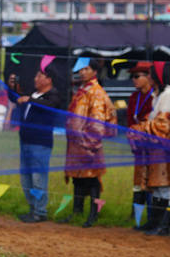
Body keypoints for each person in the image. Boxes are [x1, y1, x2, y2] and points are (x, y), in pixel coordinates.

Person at [60, 59, 116, 227]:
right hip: (77, 144)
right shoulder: (82, 90)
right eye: (81, 69)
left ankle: (93, 215)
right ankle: (77, 212)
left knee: (92, 180)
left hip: (89, 145)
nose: (83, 72)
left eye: (87, 69)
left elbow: (98, 123)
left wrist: (87, 142)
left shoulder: (96, 93)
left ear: (95, 72)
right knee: (78, 178)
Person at [7, 66, 63, 223]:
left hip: (40, 144)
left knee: (39, 178)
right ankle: (33, 209)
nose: (35, 79)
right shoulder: (33, 93)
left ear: (48, 79)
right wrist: (12, 87)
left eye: (39, 76)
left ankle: (40, 211)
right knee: (26, 179)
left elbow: (50, 105)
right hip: (25, 141)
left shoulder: (53, 95)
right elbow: (16, 99)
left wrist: (29, 100)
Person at [125, 62, 158, 229]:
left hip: (153, 148)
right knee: (139, 182)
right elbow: (131, 120)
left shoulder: (155, 98)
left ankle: (154, 218)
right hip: (138, 147)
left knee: (153, 182)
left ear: (148, 78)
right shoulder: (133, 97)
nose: (134, 79)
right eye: (133, 76)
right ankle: (136, 217)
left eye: (137, 76)